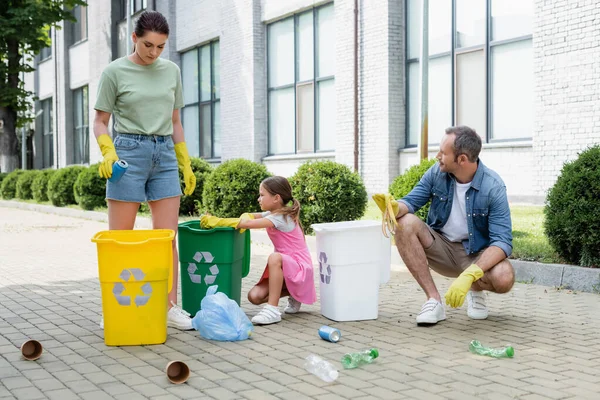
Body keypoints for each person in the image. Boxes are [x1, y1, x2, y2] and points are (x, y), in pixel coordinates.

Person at [93, 11, 196, 330]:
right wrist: (108, 151)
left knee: (167, 239)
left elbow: (176, 121)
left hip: (164, 154)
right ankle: (115, 305)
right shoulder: (114, 72)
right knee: (120, 240)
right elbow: (100, 121)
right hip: (128, 155)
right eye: (148, 44)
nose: (153, 53)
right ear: (134, 38)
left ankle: (168, 306)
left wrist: (184, 160)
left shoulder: (171, 71)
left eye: (161, 47)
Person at [376, 126, 514, 325]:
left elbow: (502, 242)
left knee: (504, 277)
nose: (437, 156)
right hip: (441, 248)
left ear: (462, 159)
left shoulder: (493, 187)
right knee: (404, 223)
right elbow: (412, 201)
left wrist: (470, 274)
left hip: (476, 255)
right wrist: (394, 208)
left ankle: (475, 290)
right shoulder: (436, 173)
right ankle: (433, 300)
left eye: (443, 152)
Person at [200, 176, 317, 325]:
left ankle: (272, 310)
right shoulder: (273, 213)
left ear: (276, 198)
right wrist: (245, 216)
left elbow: (248, 223)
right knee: (254, 297)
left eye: (262, 195)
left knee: (274, 257)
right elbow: (250, 217)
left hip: (299, 268)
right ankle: (294, 293)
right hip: (288, 268)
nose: (258, 199)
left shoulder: (280, 217)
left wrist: (217, 221)